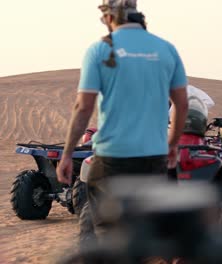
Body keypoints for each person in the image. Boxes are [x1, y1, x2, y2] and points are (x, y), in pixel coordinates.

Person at [56, 0, 188, 239]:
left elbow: (83, 107)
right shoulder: (166, 49)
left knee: (109, 234)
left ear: (108, 17)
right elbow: (182, 103)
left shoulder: (99, 50)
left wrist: (67, 154)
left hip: (112, 159)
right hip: (154, 159)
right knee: (149, 229)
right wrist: (173, 143)